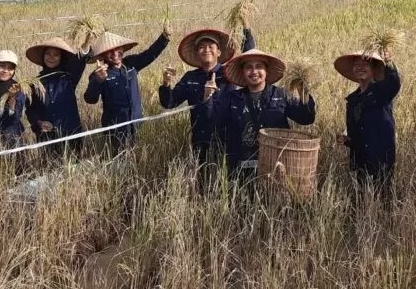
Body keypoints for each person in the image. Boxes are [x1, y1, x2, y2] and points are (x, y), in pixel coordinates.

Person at [158, 22, 255, 164]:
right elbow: (169, 102)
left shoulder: (229, 73)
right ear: (197, 53)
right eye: (202, 47)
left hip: (228, 140)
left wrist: (246, 29)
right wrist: (166, 84)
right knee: (203, 181)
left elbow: (249, 59)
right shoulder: (190, 78)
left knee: (227, 179)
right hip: (200, 140)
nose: (206, 50)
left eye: (211, 46)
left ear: (219, 52)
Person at [211, 49, 316, 177]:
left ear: (266, 71)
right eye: (248, 67)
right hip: (241, 169)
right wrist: (208, 98)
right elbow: (215, 121)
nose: (254, 71)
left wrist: (304, 95)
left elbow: (306, 119)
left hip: (276, 166)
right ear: (243, 72)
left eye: (259, 66)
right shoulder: (232, 98)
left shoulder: (281, 95)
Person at [84, 25, 170, 155]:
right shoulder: (99, 74)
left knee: (137, 156)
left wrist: (164, 37)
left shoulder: (131, 64)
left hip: (136, 123)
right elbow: (90, 99)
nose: (115, 54)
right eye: (109, 51)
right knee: (119, 159)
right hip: (115, 128)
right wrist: (98, 80)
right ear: (103, 55)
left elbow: (149, 54)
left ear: (122, 48)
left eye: (117, 49)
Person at [334, 47, 401, 189]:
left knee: (382, 200)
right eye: (356, 65)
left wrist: (389, 63)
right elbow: (357, 132)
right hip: (359, 161)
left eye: (365, 64)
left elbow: (393, 84)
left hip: (380, 160)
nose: (360, 67)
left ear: (374, 69)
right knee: (361, 200)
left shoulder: (381, 93)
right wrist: (347, 140)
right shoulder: (352, 100)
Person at [24, 37, 91, 155]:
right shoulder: (35, 83)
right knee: (49, 170)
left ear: (62, 58)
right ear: (43, 56)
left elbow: (80, 61)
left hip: (71, 134)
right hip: (46, 137)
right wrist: (39, 123)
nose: (51, 57)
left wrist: (86, 43)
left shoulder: (69, 77)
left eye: (56, 55)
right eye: (48, 54)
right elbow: (31, 109)